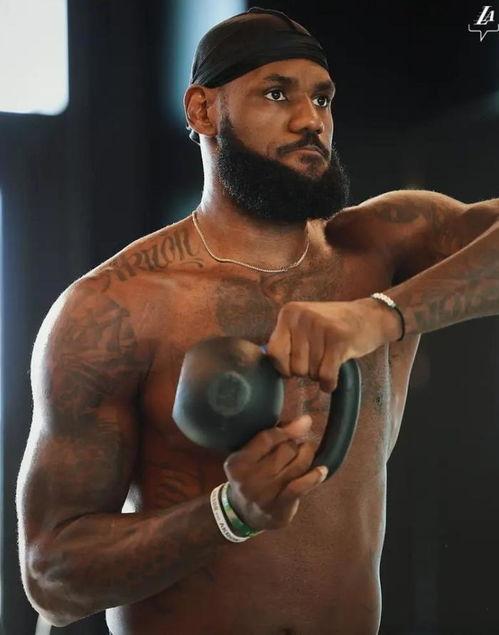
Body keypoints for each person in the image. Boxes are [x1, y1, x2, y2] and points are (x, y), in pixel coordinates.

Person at [16, 7, 498, 635]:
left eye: (322, 98)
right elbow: (52, 580)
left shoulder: (385, 250)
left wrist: (382, 315)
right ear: (202, 110)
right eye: (276, 94)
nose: (310, 120)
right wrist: (228, 515)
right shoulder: (114, 309)